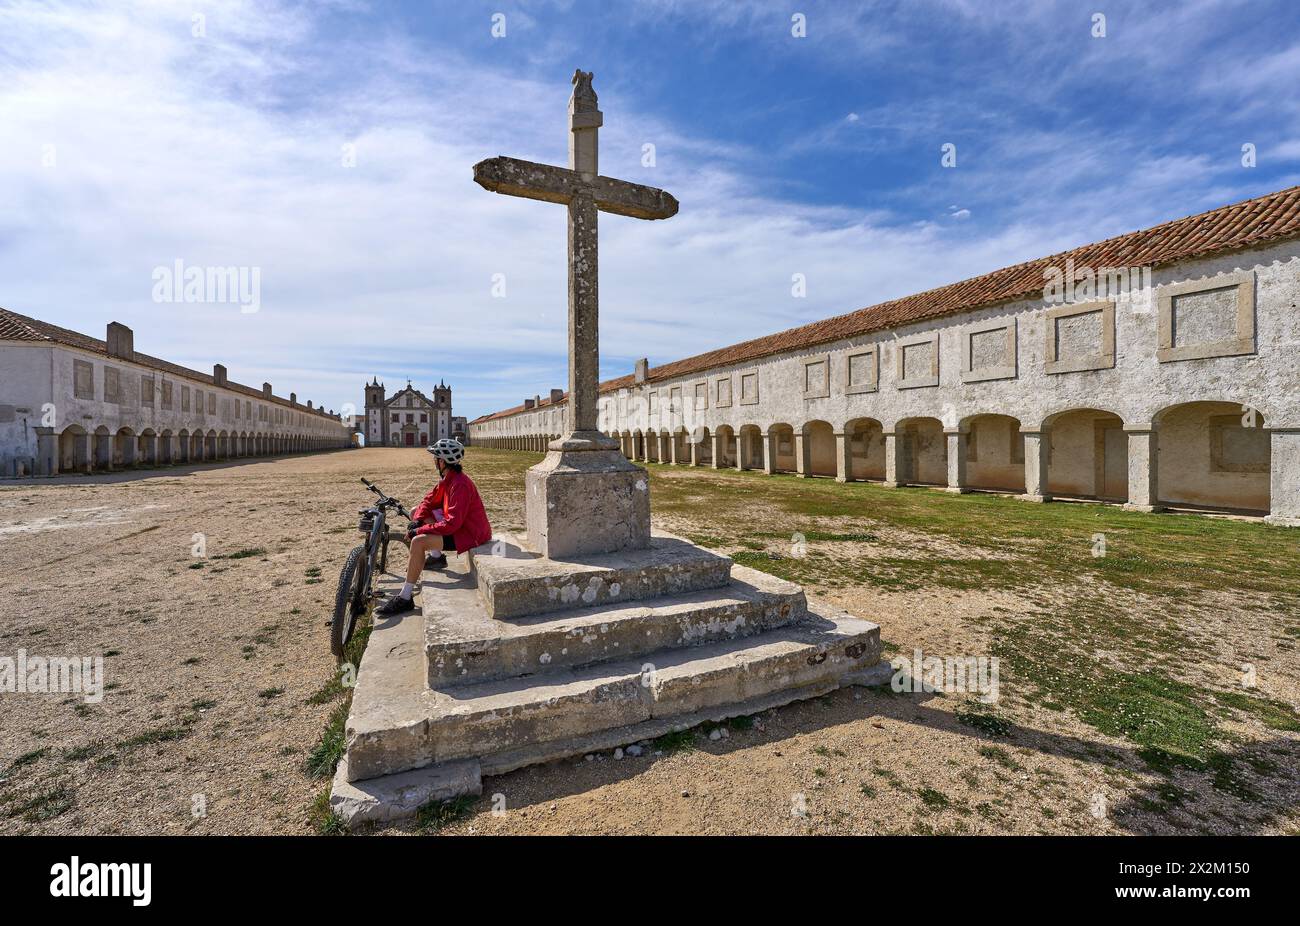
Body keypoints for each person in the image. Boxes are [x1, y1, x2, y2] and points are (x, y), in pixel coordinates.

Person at [376, 438, 491, 616]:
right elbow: (428, 501)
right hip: (458, 526)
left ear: (442, 461)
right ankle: (437, 557)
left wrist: (419, 530)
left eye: (435, 457)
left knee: (418, 542)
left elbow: (452, 525)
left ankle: (405, 597)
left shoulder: (459, 485)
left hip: (469, 533)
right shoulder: (448, 478)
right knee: (416, 511)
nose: (434, 461)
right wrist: (418, 520)